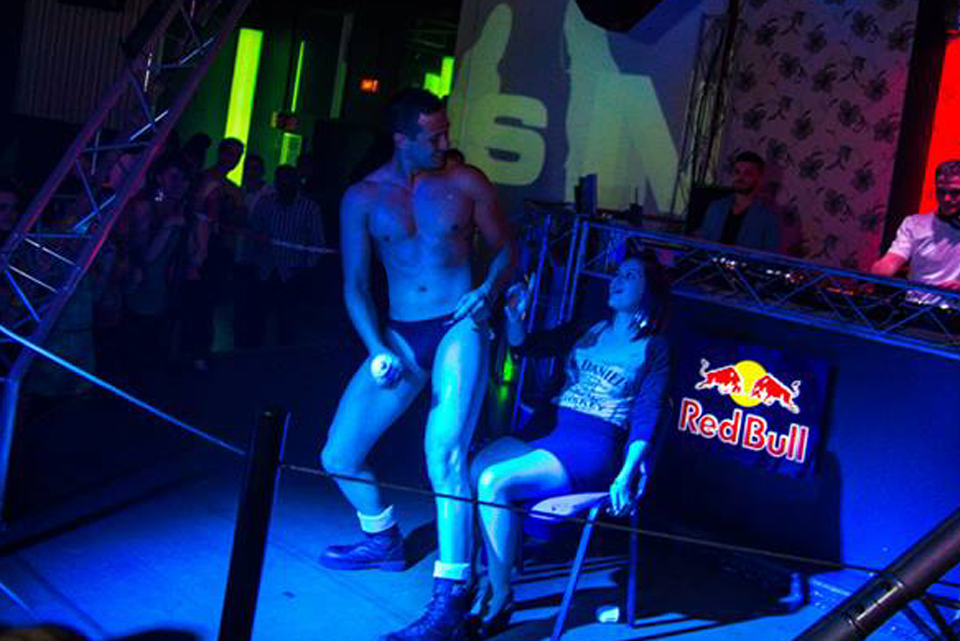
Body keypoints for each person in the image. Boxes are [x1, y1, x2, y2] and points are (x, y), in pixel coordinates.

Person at [319, 88, 516, 641]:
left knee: (444, 454)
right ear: (402, 139)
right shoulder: (362, 197)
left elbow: (508, 248)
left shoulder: (465, 183)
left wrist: (488, 289)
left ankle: (451, 597)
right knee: (338, 454)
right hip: (400, 336)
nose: (445, 142)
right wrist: (376, 348)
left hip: (459, 326)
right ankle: (381, 538)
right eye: (434, 135)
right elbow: (355, 286)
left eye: (446, 131)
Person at [467, 250, 671, 637]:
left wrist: (626, 474)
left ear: (649, 293)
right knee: (474, 469)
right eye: (617, 273)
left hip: (592, 443)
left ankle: (500, 595)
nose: (617, 280)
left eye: (630, 276)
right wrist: (514, 315)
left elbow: (649, 414)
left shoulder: (654, 347)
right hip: (549, 429)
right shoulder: (592, 328)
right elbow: (527, 347)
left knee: (495, 482)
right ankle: (491, 573)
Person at [235, 164, 324, 348]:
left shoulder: (309, 207)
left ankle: (282, 357)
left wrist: (306, 268)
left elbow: (317, 242)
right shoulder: (265, 203)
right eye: (281, 180)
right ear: (275, 182)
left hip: (292, 273)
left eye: (288, 180)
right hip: (264, 270)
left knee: (288, 322)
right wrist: (250, 262)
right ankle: (255, 356)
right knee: (257, 320)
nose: (284, 184)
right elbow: (253, 232)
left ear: (296, 182)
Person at [871, 160, 960, 304]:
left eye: (955, 193)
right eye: (941, 192)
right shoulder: (914, 223)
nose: (947, 198)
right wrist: (882, 268)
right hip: (916, 308)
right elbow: (893, 259)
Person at [695, 151, 780, 253]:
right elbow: (702, 242)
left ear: (759, 178)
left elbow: (770, 256)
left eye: (747, 173)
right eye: (737, 172)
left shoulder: (768, 218)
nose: (740, 178)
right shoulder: (716, 207)